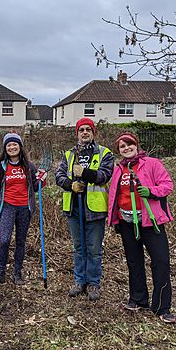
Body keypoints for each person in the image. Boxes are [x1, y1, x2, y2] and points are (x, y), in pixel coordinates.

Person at [108, 132, 176, 323]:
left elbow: (167, 185)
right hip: (127, 223)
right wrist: (114, 220)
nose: (126, 148)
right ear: (119, 151)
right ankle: (138, 299)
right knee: (134, 262)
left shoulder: (152, 163)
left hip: (151, 222)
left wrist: (151, 192)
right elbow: (114, 196)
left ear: (136, 146)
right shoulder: (119, 169)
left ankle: (162, 307)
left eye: (129, 145)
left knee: (161, 262)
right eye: (122, 146)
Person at [55, 118, 114, 300]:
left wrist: (85, 173)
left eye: (88, 129)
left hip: (94, 210)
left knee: (94, 248)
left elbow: (105, 175)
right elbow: (59, 175)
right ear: (77, 133)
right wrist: (71, 184)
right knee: (79, 247)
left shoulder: (104, 153)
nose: (85, 132)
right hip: (74, 208)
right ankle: (79, 281)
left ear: (93, 132)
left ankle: (93, 283)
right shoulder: (69, 154)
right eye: (81, 130)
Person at [0, 133, 47, 285]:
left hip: (25, 208)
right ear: (5, 148)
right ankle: (0, 272)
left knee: (20, 241)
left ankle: (17, 273)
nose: (12, 147)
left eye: (15, 144)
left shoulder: (29, 166)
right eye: (9, 145)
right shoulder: (2, 167)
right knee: (5, 240)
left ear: (20, 147)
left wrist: (42, 180)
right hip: (7, 207)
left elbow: (35, 187)